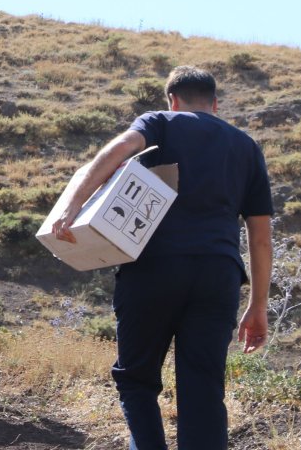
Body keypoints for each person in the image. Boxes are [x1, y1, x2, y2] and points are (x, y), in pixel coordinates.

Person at [52, 66, 273, 450]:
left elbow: (119, 149)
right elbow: (261, 237)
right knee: (203, 388)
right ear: (215, 104)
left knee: (136, 380)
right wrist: (257, 306)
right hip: (218, 274)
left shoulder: (160, 122)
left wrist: (71, 205)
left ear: (172, 99)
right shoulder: (246, 146)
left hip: (154, 267)